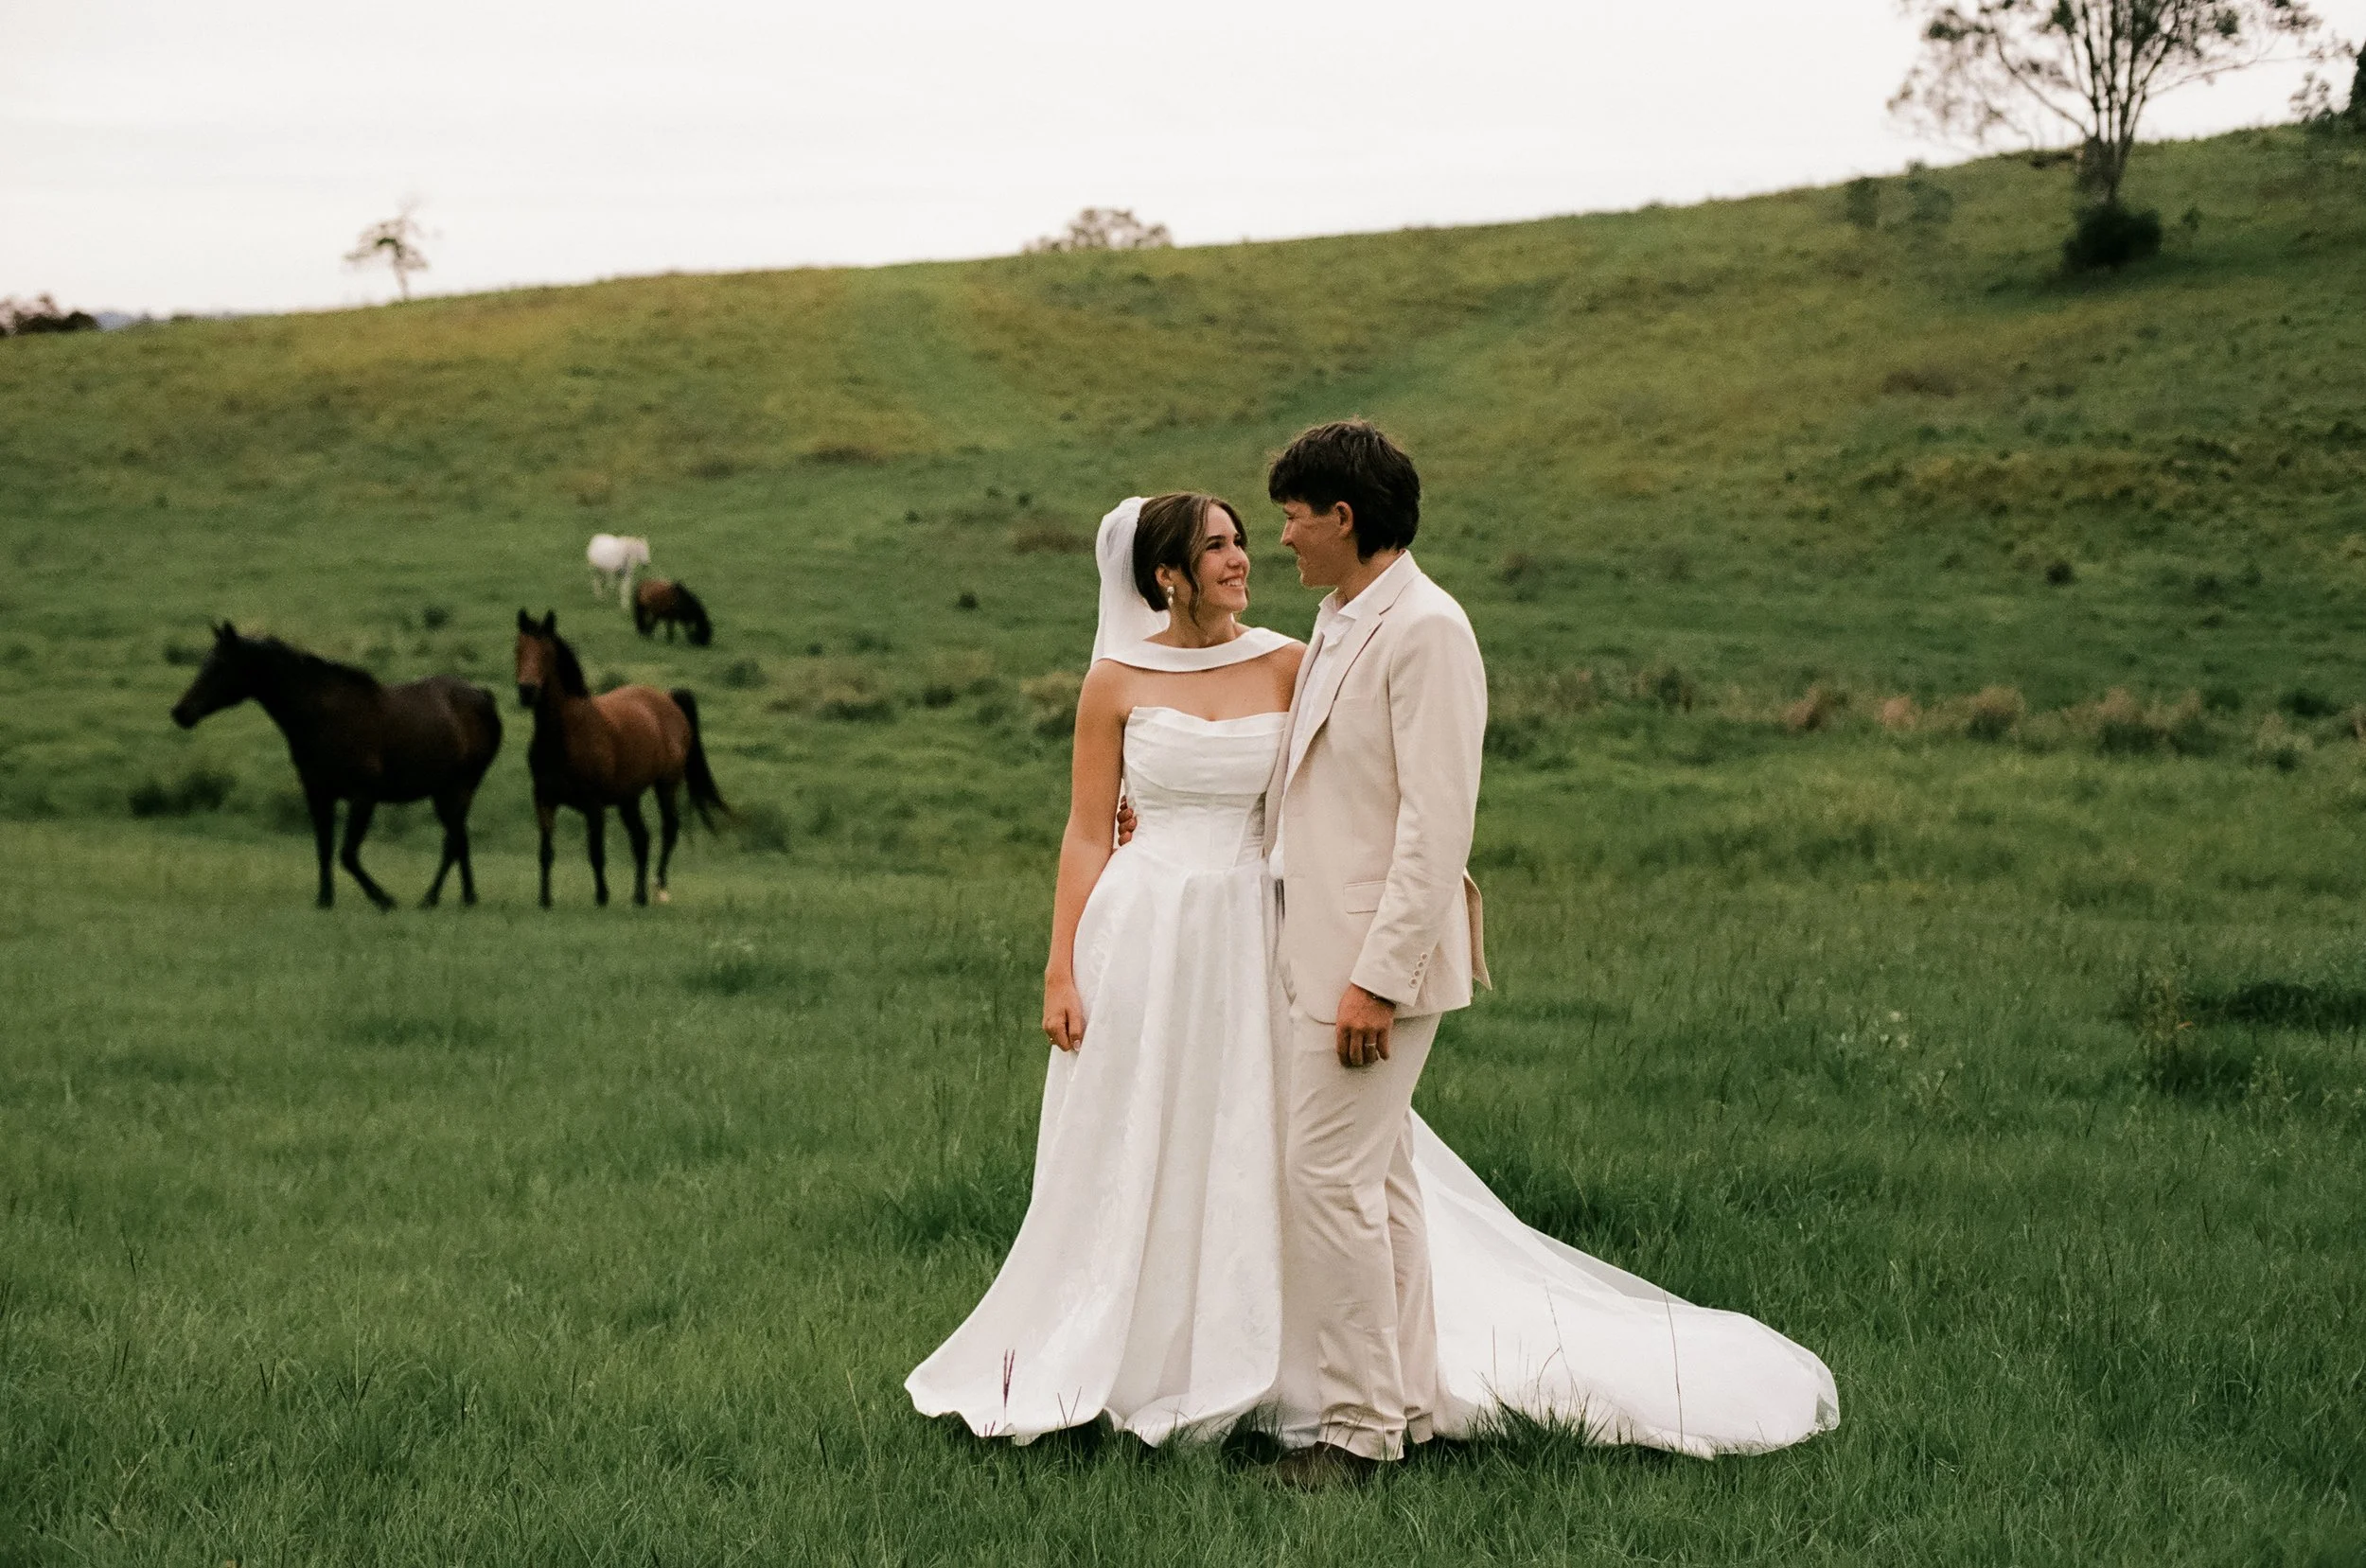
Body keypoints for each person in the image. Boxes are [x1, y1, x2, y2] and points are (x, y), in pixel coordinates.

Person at [907, 425, 1839, 1480]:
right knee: (1360, 1179)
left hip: (1324, 951)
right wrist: (1099, 911)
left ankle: (1357, 1433)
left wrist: (1373, 977)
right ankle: (1381, 1397)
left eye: (1279, 522)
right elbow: (1153, 811)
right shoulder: (1328, 622)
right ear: (1166, 576)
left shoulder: (1400, 632)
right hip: (1198, 933)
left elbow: (1430, 825)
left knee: (1324, 1176)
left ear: (1340, 517)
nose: (1263, 547)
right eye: (1223, 542)